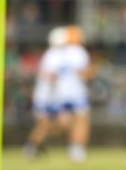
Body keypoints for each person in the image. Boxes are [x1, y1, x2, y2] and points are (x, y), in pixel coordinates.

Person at [24, 25, 94, 162]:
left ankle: (33, 145)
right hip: (67, 93)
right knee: (78, 120)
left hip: (55, 94)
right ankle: (76, 149)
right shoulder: (76, 51)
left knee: (56, 123)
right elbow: (84, 73)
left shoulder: (51, 54)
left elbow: (48, 74)